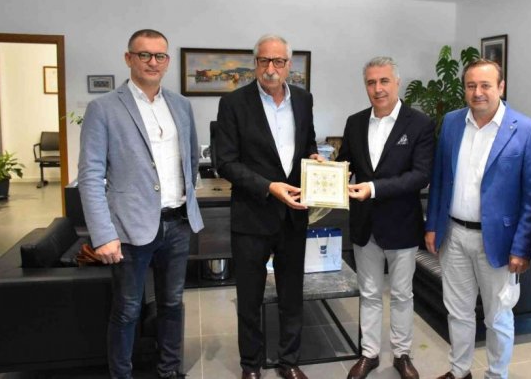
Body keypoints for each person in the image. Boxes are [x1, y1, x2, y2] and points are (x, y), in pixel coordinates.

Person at [78, 29, 204, 379]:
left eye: (160, 56)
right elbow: (90, 176)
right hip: (129, 228)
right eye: (144, 54)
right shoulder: (103, 108)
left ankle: (169, 370)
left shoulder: (181, 105)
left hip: (177, 224)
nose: (152, 62)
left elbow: (192, 160)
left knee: (172, 304)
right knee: (127, 309)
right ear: (128, 58)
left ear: (167, 61)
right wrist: (104, 234)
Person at [424, 59, 531, 379]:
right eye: (471, 86)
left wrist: (522, 247)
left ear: (501, 87)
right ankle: (459, 370)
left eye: (485, 85)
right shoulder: (452, 123)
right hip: (453, 234)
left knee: (498, 316)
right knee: (458, 312)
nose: (477, 92)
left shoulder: (527, 131)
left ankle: (496, 375)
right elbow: (440, 178)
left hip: (499, 243)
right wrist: (433, 225)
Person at [215, 34, 322, 379]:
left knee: (292, 295)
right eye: (264, 60)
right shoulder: (233, 103)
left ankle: (289, 361)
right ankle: (251, 365)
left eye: (278, 61)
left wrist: (315, 158)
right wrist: (268, 187)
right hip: (252, 216)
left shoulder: (303, 99)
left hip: (293, 215)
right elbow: (225, 162)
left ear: (289, 65)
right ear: (255, 63)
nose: (270, 68)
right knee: (250, 297)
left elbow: (307, 142)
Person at [338, 57, 435, 379]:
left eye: (384, 81)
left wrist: (374, 188)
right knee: (368, 293)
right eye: (371, 82)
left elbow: (420, 175)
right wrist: (327, 171)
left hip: (402, 224)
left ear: (397, 83)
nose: (377, 88)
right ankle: (369, 354)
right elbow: (345, 164)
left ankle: (402, 354)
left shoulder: (419, 123)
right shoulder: (354, 122)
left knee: (403, 294)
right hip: (364, 224)